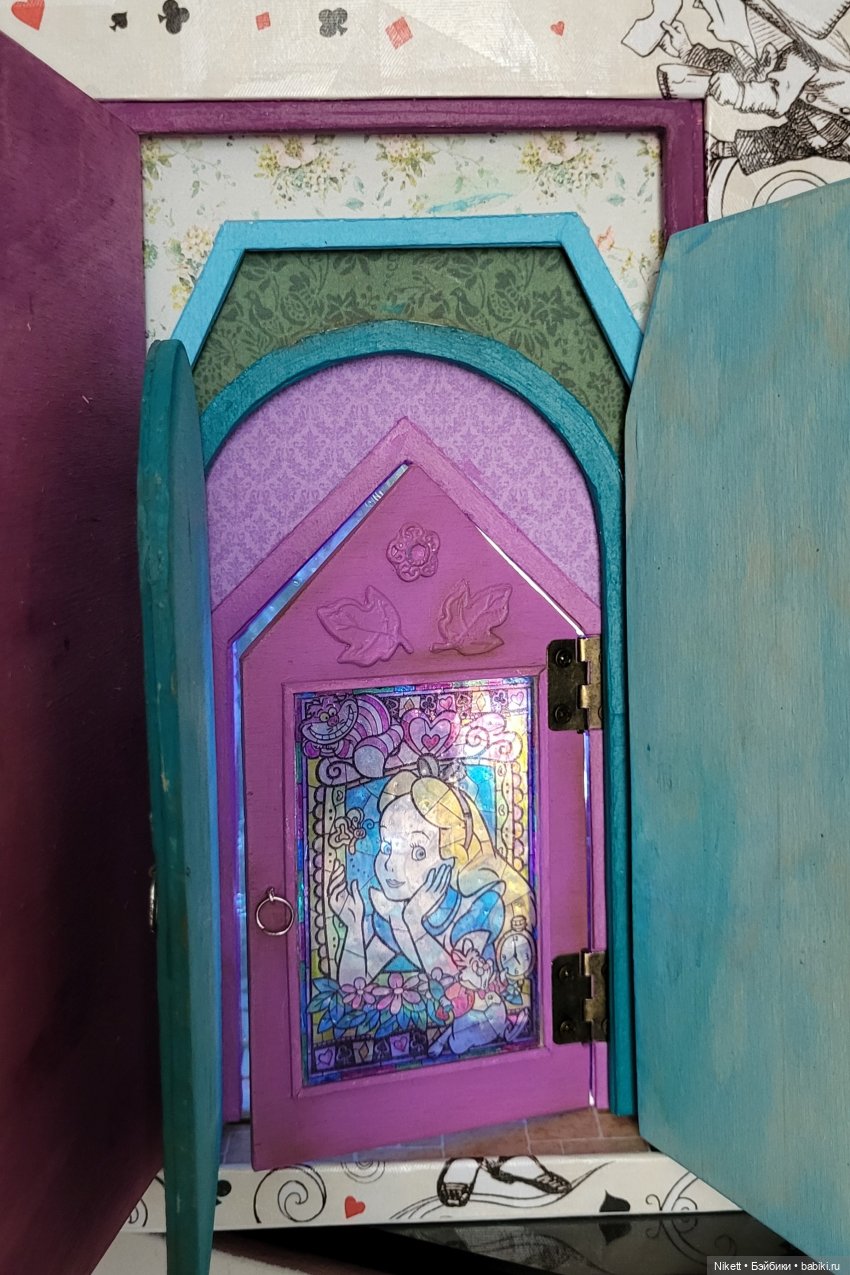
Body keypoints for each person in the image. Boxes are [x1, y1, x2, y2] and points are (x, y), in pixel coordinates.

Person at [328, 757, 532, 988]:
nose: (391, 864)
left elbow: (458, 984)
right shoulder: (391, 918)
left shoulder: (481, 908)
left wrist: (414, 922)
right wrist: (354, 928)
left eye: (418, 852)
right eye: (387, 847)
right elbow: (353, 989)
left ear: (451, 855)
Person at [659, 0, 850, 174]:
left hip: (830, 130)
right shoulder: (772, 49)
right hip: (820, 132)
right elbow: (736, 69)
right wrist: (687, 51)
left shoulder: (803, 53)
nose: (698, 6)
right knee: (781, 144)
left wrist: (738, 94)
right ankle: (724, 149)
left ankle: (724, 149)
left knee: (782, 144)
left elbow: (775, 96)